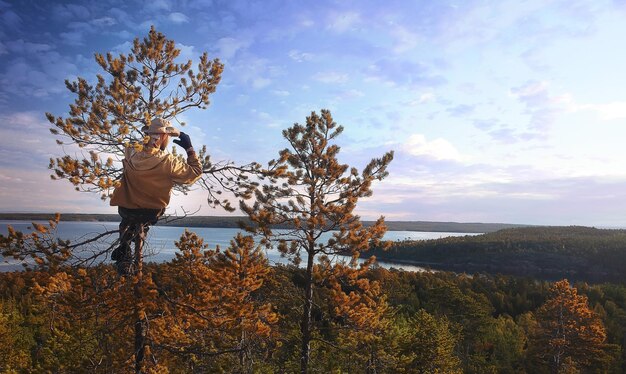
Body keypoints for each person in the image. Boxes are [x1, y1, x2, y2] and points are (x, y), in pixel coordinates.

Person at [110, 117, 203, 275]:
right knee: (142, 220)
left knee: (127, 219)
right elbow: (195, 172)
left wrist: (151, 135)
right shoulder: (169, 162)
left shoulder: (131, 152)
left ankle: (124, 253)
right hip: (151, 212)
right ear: (163, 137)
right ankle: (137, 234)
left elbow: (140, 145)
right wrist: (189, 147)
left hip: (126, 209)